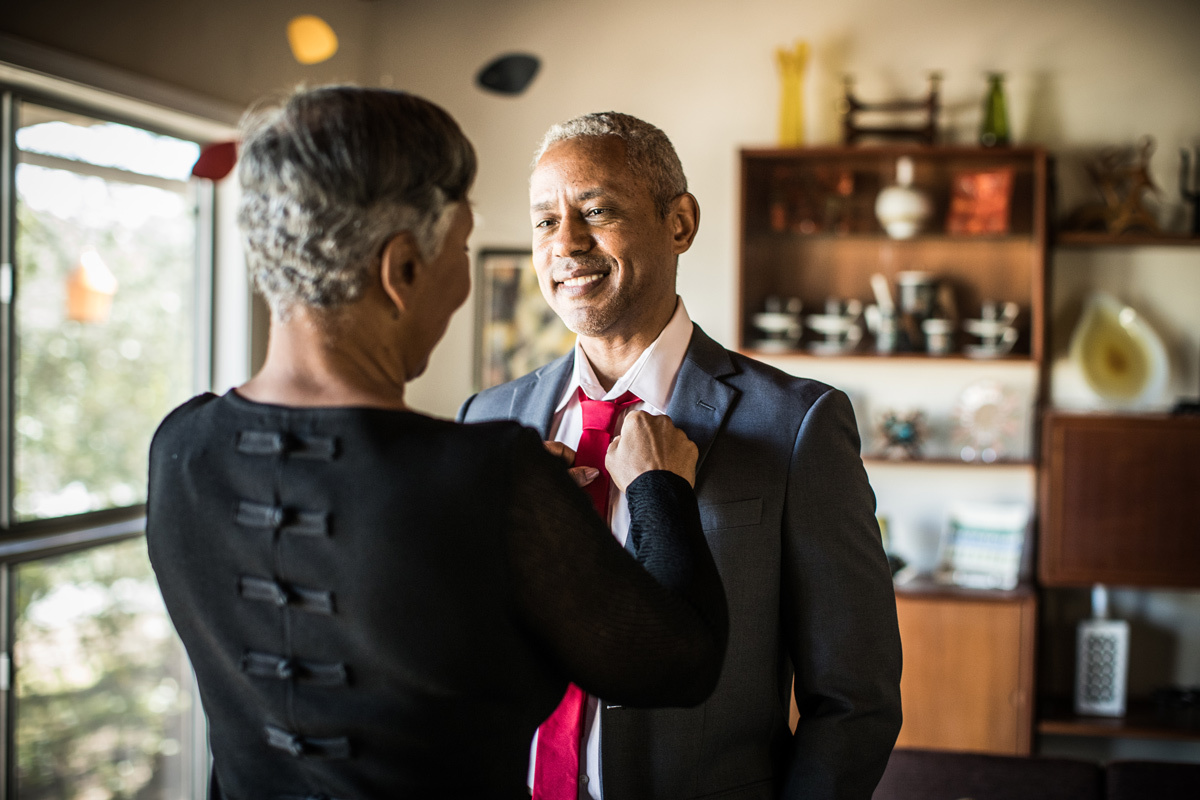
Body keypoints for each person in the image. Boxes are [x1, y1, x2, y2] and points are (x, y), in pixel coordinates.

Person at [145, 87, 729, 800]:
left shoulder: (180, 448)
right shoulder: (490, 476)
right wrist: (657, 490)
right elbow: (683, 664)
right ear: (404, 271)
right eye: (461, 249)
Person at [458, 112, 903, 800]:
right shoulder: (487, 419)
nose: (566, 243)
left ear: (680, 223)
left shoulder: (798, 425)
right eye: (545, 221)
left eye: (596, 210)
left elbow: (855, 701)